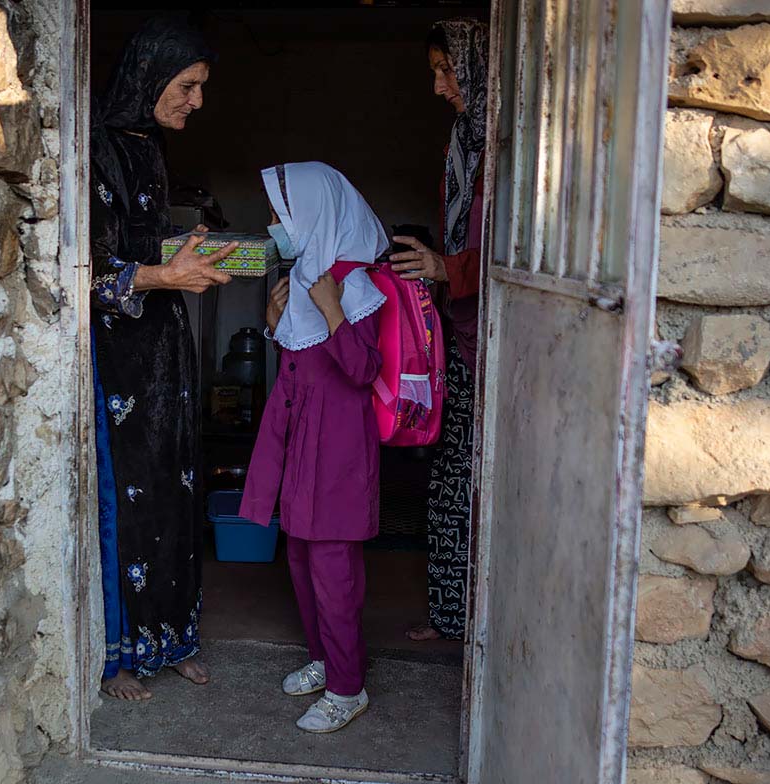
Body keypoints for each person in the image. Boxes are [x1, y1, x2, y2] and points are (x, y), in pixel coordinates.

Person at [91, 16, 242, 701]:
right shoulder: (93, 151)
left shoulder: (147, 149)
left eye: (202, 88)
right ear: (151, 79)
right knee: (130, 498)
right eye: (188, 86)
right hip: (120, 357)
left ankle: (172, 636)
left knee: (178, 491)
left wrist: (190, 253)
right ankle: (122, 657)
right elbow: (85, 272)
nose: (197, 101)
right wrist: (162, 278)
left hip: (164, 353)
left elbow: (139, 244)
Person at [241, 162, 387, 733]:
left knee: (334, 567)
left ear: (313, 213)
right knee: (300, 557)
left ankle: (349, 689)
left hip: (341, 448)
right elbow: (302, 367)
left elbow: (362, 369)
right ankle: (325, 661)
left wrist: (330, 310)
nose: (275, 223)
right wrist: (277, 325)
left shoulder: (351, 282)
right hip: (305, 439)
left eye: (282, 213)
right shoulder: (306, 276)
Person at [390, 19, 490, 642]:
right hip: (460, 332)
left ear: (476, 68)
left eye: (447, 70)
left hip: (497, 339)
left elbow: (510, 250)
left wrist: (444, 267)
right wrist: (437, 271)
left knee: (489, 481)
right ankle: (452, 616)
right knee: (452, 476)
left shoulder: (507, 148)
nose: (438, 86)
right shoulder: (464, 141)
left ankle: (487, 630)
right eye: (436, 71)